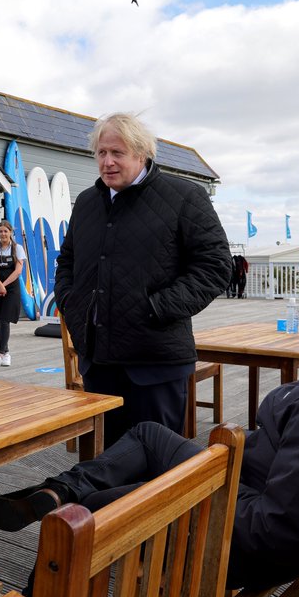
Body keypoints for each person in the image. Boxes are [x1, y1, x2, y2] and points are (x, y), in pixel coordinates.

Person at [0, 232, 299, 591]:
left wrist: (173, 490)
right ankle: (56, 488)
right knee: (150, 434)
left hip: (251, 547)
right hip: (269, 492)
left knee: (85, 518)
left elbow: (274, 538)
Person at [55, 113, 231, 447]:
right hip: (99, 361)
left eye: (117, 153)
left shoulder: (184, 197)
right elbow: (68, 262)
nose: (107, 162)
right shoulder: (87, 203)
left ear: (141, 153)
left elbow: (215, 266)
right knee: (106, 462)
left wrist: (155, 307)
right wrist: (71, 302)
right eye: (101, 153)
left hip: (155, 363)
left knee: (156, 466)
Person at [0, 219, 27, 367]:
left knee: (4, 320)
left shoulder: (18, 249)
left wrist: (4, 286)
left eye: (6, 231)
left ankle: (0, 355)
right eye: (1, 231)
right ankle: (6, 353)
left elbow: (18, 271)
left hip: (11, 288)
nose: (3, 234)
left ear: (11, 232)